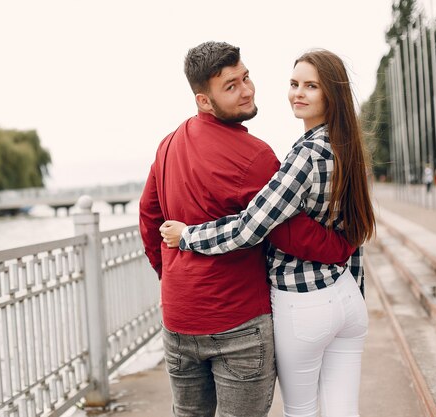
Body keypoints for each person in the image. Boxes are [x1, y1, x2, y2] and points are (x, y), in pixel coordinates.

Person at [139, 42, 356, 417]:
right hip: (238, 319)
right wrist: (340, 247)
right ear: (205, 101)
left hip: (178, 317)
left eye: (246, 77)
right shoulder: (255, 156)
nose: (247, 90)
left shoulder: (168, 144)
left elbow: (148, 218)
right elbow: (286, 231)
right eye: (231, 86)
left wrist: (172, 275)